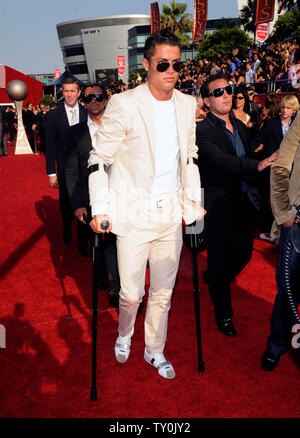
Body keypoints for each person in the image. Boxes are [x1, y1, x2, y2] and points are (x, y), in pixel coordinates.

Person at [88, 30, 204, 379]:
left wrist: (194, 205)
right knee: (131, 292)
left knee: (164, 292)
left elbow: (190, 157)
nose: (171, 71)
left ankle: (154, 350)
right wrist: (99, 208)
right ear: (147, 64)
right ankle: (125, 332)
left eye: (177, 65)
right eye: (164, 64)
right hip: (132, 217)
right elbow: (98, 158)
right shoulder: (124, 104)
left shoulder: (186, 105)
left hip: (170, 215)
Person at [196, 72, 279, 336]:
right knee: (220, 263)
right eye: (218, 92)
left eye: (228, 90)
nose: (226, 95)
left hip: (245, 204)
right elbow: (223, 161)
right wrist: (259, 164)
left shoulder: (242, 127)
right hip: (218, 207)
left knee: (243, 255)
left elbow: (250, 158)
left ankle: (215, 278)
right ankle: (224, 315)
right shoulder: (202, 130)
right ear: (207, 101)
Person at [64, 83, 120, 307]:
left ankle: (116, 288)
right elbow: (69, 170)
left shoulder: (119, 128)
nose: (94, 101)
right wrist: (76, 204)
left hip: (119, 195)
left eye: (98, 96)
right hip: (89, 198)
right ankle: (101, 276)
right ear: (83, 102)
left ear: (106, 100)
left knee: (114, 244)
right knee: (98, 244)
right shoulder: (75, 133)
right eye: (88, 98)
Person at [261, 112, 300, 371]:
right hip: (297, 222)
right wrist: (285, 212)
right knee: (288, 289)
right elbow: (281, 166)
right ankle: (277, 343)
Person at [45, 77, 87, 249]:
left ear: (79, 92)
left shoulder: (87, 113)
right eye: (66, 91)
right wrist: (51, 173)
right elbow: (49, 145)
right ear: (62, 92)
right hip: (63, 168)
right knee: (66, 202)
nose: (69, 95)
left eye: (72, 91)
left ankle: (83, 239)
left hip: (84, 166)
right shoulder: (53, 115)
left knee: (85, 199)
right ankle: (67, 227)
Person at [251, 95, 299, 242]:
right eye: (283, 107)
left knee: (288, 200)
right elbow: (257, 141)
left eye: (288, 108)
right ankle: (268, 231)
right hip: (272, 168)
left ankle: (281, 232)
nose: (284, 110)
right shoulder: (270, 123)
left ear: (294, 110)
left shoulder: (295, 126)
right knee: (270, 200)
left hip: (291, 170)